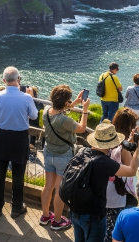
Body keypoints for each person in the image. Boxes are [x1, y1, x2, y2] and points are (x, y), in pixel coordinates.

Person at [63, 120, 139, 242]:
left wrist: (127, 144)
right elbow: (132, 171)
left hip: (75, 211)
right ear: (111, 144)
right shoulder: (104, 162)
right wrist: (137, 148)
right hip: (92, 216)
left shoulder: (83, 152)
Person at [0, 66, 38, 218]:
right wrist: (30, 96)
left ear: (4, 80)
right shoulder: (26, 98)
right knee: (18, 174)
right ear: (18, 79)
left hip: (1, 136)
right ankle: (16, 207)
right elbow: (34, 116)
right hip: (19, 138)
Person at [41, 85, 89, 231]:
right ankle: (57, 221)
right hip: (63, 155)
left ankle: (45, 215)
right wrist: (85, 110)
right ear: (65, 101)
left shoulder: (46, 111)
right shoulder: (65, 120)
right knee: (59, 189)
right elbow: (82, 128)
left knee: (48, 186)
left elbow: (59, 109)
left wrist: (74, 103)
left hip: (48, 152)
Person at [105, 109, 139, 241]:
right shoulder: (122, 149)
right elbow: (132, 169)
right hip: (118, 197)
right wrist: (137, 147)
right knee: (117, 232)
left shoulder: (110, 142)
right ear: (128, 127)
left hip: (107, 192)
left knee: (109, 229)